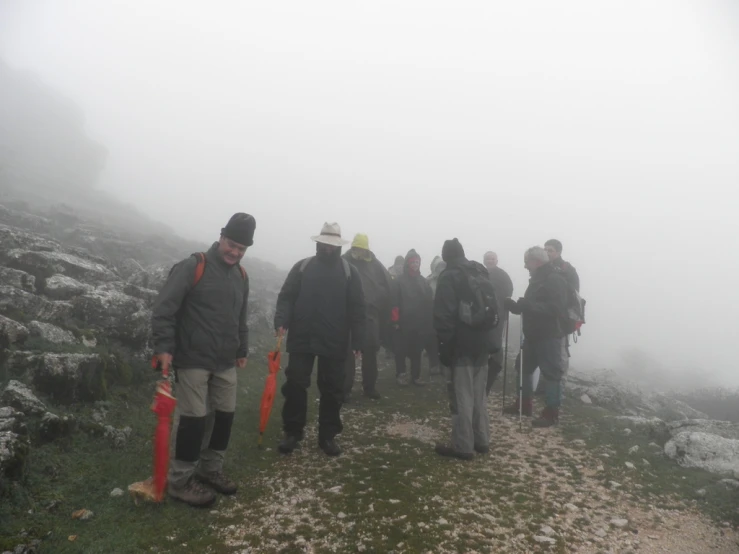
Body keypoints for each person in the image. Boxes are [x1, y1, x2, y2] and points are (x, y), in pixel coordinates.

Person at [151, 212, 255, 507]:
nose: (235, 252)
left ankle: (211, 470)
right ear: (221, 237)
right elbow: (164, 309)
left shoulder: (241, 276)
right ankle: (180, 481)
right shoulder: (193, 266)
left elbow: (241, 317)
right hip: (193, 358)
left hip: (225, 360)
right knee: (193, 421)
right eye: (232, 244)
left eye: (242, 248)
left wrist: (242, 349)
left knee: (224, 417)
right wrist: (164, 348)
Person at [274, 222, 366, 457]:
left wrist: (358, 340)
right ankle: (292, 432)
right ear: (319, 243)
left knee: (333, 389)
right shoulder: (302, 267)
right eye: (324, 244)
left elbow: (357, 308)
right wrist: (282, 319)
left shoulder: (349, 272)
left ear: (338, 246)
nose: (327, 248)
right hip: (302, 335)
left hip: (335, 338)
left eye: (332, 245)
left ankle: (327, 436)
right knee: (295, 384)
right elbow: (286, 296)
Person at [433, 238, 490, 460]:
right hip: (482, 343)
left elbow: (443, 316)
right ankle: (482, 440)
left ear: (446, 256)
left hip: (461, 345)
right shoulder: (479, 270)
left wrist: (443, 347)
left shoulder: (449, 276)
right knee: (479, 395)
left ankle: (463, 446)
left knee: (462, 396)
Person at [503, 246, 569, 427]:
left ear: (536, 262)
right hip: (533, 334)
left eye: (526, 262)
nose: (525, 266)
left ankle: (551, 414)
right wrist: (515, 306)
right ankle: (524, 405)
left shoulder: (554, 279)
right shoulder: (538, 278)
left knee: (551, 373)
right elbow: (530, 306)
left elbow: (556, 309)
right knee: (522, 367)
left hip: (549, 335)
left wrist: (528, 305)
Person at [342, 233, 393, 400]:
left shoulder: (376, 265)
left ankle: (369, 388)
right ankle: (345, 388)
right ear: (352, 247)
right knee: (347, 352)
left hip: (370, 315)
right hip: (348, 315)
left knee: (370, 352)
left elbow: (387, 285)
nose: (360, 252)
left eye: (363, 249)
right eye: (357, 248)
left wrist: (377, 299)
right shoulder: (344, 262)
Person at [391, 249, 434, 386]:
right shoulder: (399, 281)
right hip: (403, 322)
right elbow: (394, 302)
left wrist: (428, 320)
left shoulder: (423, 281)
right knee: (400, 350)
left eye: (417, 262)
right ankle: (401, 374)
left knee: (417, 350)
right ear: (407, 264)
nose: (415, 264)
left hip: (419, 322)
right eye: (412, 262)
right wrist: (395, 320)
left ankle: (415, 376)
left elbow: (428, 302)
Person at [483, 251, 514, 394]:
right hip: (483, 313)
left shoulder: (503, 275)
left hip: (499, 312)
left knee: (495, 341)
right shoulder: (480, 272)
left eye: (492, 259)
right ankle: (484, 365)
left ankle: (495, 365)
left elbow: (509, 291)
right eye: (488, 259)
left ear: (497, 260)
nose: (490, 261)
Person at [425, 255, 446, 375]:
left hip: (445, 313)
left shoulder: (449, 279)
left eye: (443, 266)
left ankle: (444, 364)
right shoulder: (428, 280)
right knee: (432, 340)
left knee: (444, 340)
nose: (441, 269)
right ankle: (434, 364)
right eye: (439, 266)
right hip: (430, 313)